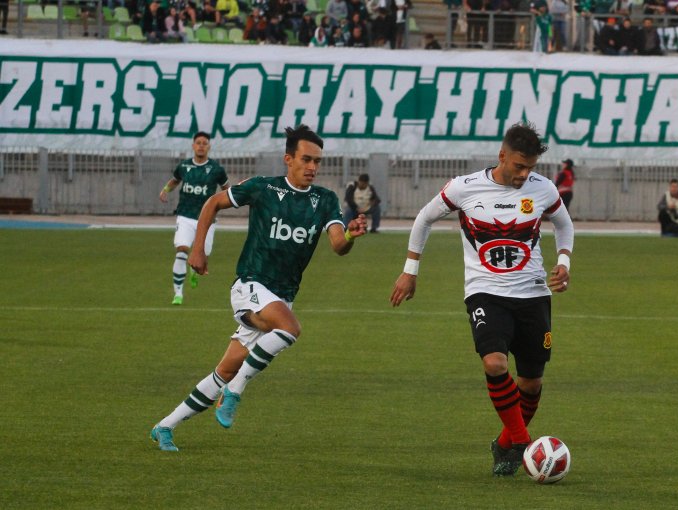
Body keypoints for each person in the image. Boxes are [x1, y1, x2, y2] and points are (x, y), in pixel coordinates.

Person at [150, 125, 368, 452]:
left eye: (317, 161)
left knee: (224, 369)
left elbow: (337, 245)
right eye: (306, 159)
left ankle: (165, 426)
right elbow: (212, 203)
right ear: (288, 159)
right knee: (291, 329)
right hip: (249, 286)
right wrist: (197, 248)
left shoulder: (325, 200)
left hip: (281, 298)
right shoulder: (263, 188)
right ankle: (235, 392)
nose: (312, 167)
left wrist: (350, 234)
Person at [389, 122, 575, 477]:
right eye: (519, 166)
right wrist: (410, 270)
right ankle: (523, 441)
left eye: (530, 167)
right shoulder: (465, 187)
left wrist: (563, 262)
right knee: (494, 364)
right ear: (502, 155)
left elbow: (564, 224)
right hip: (485, 292)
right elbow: (424, 218)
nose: (524, 174)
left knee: (531, 382)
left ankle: (505, 445)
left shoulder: (543, 189)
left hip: (534, 293)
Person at [158, 132, 229, 306]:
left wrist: (232, 199)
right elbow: (175, 180)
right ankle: (178, 293)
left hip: (207, 218)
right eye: (198, 143)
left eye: (205, 143)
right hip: (185, 215)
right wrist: (166, 190)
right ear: (193, 145)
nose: (201, 146)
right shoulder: (184, 166)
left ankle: (194, 271)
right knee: (182, 250)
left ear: (209, 146)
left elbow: (226, 187)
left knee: (203, 256)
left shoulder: (216, 169)